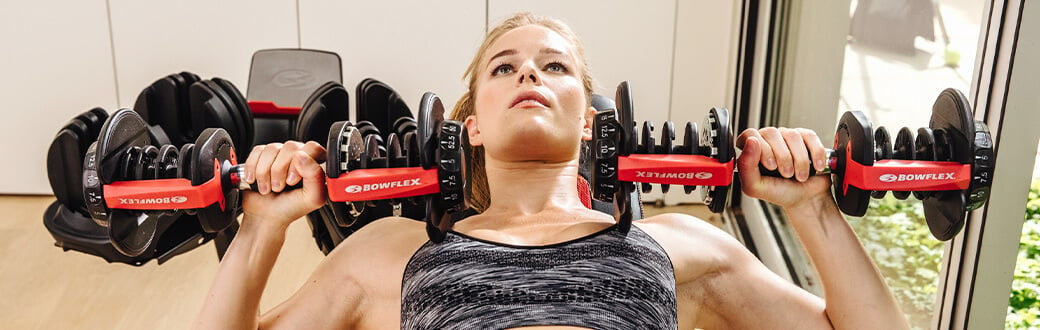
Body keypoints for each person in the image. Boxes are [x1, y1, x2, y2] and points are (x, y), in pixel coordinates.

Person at [193, 12, 908, 329]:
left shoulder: (678, 246)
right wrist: (260, 229)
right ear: (470, 124)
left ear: (591, 118)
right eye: (505, 67)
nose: (529, 69)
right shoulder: (392, 252)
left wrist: (813, 209)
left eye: (554, 65)